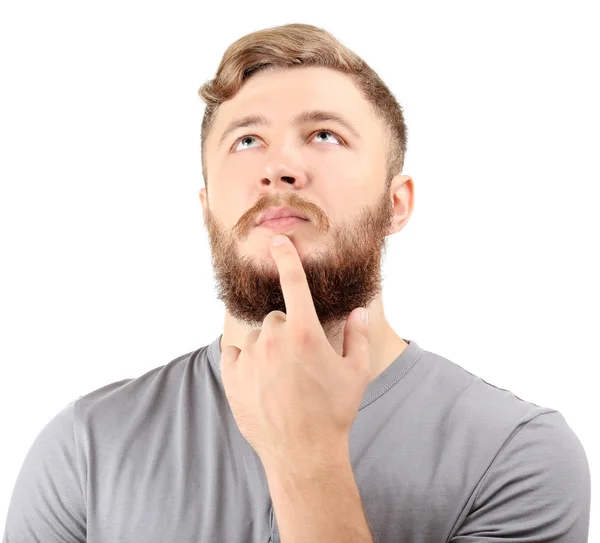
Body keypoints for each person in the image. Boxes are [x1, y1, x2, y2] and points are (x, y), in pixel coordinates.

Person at [2, 23, 590, 543]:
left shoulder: (517, 453)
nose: (278, 167)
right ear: (207, 209)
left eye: (325, 135)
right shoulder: (86, 447)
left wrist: (309, 459)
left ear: (396, 204)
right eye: (246, 140)